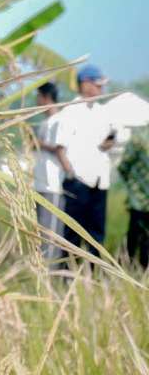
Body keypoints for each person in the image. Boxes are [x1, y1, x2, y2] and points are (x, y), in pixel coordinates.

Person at [53, 64, 122, 259]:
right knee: (73, 234)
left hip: (100, 180)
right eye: (98, 85)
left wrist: (110, 140)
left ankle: (93, 272)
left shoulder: (103, 112)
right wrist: (71, 174)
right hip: (78, 181)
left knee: (97, 234)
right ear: (85, 84)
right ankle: (68, 272)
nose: (101, 89)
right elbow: (60, 148)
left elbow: (106, 143)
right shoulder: (70, 111)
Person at [32, 82, 66, 264]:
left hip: (53, 185)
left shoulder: (59, 121)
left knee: (51, 235)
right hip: (40, 183)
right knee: (40, 233)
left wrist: (39, 144)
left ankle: (50, 272)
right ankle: (41, 269)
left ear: (46, 97)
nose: (36, 101)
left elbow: (59, 149)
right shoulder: (44, 123)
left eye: (38, 96)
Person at [118, 127, 149, 268]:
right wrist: (134, 185)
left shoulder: (139, 137)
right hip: (139, 198)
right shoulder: (139, 138)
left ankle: (140, 269)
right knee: (135, 235)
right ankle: (125, 267)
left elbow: (123, 167)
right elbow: (123, 166)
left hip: (138, 196)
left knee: (140, 237)